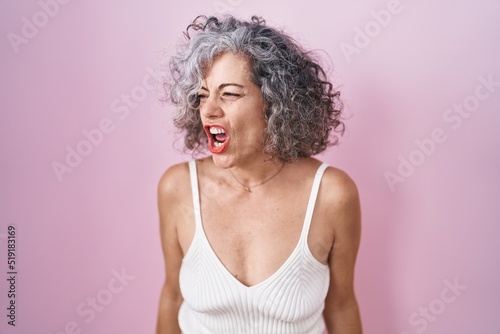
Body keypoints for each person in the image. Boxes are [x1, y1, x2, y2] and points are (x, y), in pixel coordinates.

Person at [156, 15, 362, 334]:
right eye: (201, 94)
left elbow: (341, 305)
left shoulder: (332, 194)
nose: (208, 109)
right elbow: (172, 297)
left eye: (229, 94)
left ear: (274, 103)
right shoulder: (178, 187)